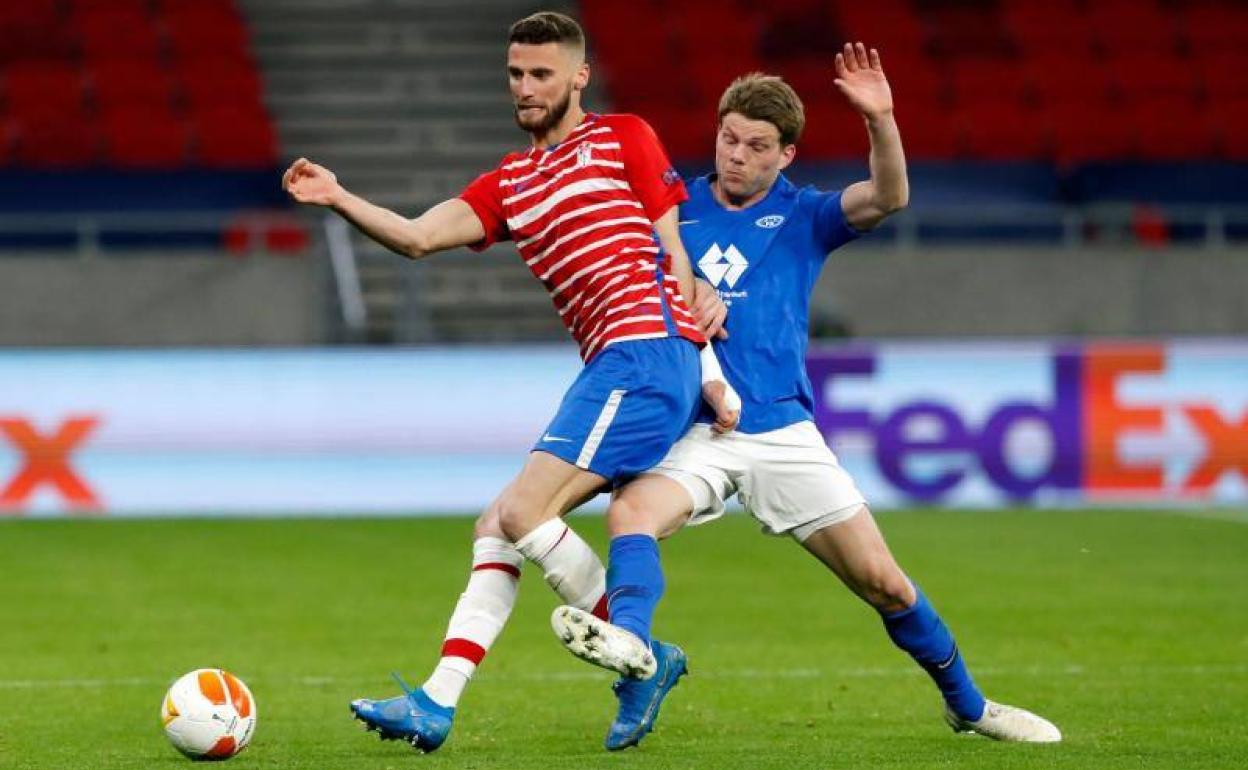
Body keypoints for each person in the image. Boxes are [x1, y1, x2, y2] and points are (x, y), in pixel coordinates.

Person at [552, 46, 1062, 748]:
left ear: (785, 155)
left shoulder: (806, 216)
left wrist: (880, 118)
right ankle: (634, 656)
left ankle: (970, 706)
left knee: (884, 584)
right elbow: (628, 284)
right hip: (693, 426)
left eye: (756, 146)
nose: (735, 155)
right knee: (633, 510)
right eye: (728, 138)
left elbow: (888, 198)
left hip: (782, 431)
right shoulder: (671, 212)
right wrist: (682, 296)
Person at [281, 11, 739, 752]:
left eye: (541, 74)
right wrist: (338, 195)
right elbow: (419, 237)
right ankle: (437, 702)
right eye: (516, 75)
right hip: (610, 366)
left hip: (646, 352)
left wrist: (703, 362)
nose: (524, 88)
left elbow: (673, 255)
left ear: (578, 77)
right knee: (498, 524)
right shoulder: (511, 182)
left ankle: (639, 655)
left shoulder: (625, 136)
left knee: (525, 512)